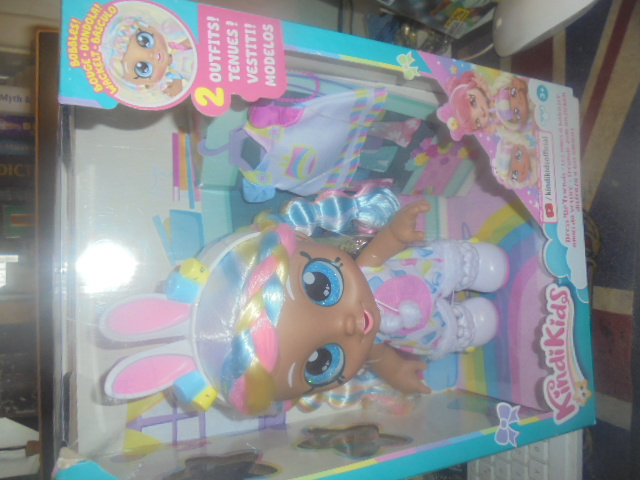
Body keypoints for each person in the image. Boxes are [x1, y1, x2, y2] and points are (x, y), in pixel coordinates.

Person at [100, 187, 508, 416]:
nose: (347, 326)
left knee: (463, 262)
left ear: (302, 240)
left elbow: (379, 251)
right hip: (426, 333)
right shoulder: (367, 344)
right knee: (468, 328)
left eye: (320, 286)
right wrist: (397, 371)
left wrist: (395, 233)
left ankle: (467, 264)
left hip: (427, 267)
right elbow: (378, 355)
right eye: (320, 361)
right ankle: (465, 324)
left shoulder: (367, 271)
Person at [101, 16, 194, 98]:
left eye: (145, 40)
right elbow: (177, 89)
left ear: (152, 28)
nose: (151, 55)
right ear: (148, 84)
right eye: (143, 68)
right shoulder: (175, 72)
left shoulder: (180, 48)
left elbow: (196, 39)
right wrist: (172, 90)